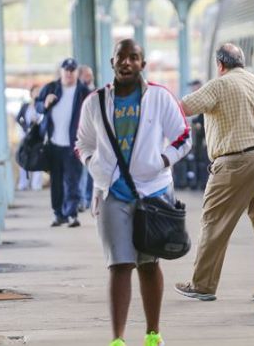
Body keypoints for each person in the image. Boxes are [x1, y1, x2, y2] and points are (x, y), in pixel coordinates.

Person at [75, 38, 189, 346]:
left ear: (142, 63)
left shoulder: (160, 98)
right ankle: (118, 339)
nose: (126, 62)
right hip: (112, 193)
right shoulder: (95, 102)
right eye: (120, 57)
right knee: (119, 264)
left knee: (149, 264)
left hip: (153, 192)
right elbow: (82, 143)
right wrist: (93, 163)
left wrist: (162, 161)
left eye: (133, 57)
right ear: (111, 63)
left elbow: (183, 136)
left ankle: (153, 334)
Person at [173, 43, 254, 302]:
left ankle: (202, 285)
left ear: (220, 65)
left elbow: (184, 108)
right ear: (242, 63)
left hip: (235, 161)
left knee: (215, 221)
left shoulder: (220, 84)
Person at [36, 58, 91, 227]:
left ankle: (72, 213)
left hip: (74, 145)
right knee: (57, 181)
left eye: (72, 70)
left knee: (72, 180)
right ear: (60, 71)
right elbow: (38, 105)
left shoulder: (83, 92)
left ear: (76, 73)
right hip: (53, 143)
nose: (69, 73)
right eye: (66, 70)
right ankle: (59, 214)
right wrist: (45, 104)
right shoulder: (51, 88)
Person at [15, 84, 43, 191]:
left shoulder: (42, 105)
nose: (37, 93)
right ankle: (23, 184)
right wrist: (25, 127)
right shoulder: (25, 106)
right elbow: (18, 118)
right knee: (24, 158)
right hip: (26, 136)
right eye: (35, 91)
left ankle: (36, 185)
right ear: (31, 93)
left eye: (39, 91)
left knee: (38, 158)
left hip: (38, 136)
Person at [77, 64, 96, 212]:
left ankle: (87, 199)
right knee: (78, 172)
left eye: (91, 74)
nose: (90, 77)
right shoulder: (78, 92)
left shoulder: (95, 92)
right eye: (87, 75)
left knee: (89, 169)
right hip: (78, 136)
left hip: (92, 137)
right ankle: (80, 199)